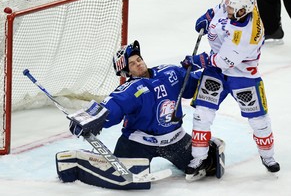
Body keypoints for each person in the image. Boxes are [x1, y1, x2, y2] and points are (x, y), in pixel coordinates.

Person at [66, 40, 225, 187]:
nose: (138, 64)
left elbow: (193, 86)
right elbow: (113, 105)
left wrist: (214, 69)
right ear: (126, 72)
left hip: (174, 139)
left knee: (208, 165)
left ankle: (204, 147)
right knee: (123, 179)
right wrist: (88, 118)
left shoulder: (170, 73)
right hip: (138, 144)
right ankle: (80, 161)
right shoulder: (132, 88)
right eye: (132, 64)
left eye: (138, 59)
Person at [182, 0, 280, 181]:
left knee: (259, 121)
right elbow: (219, 8)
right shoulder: (236, 6)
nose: (226, 9)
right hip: (216, 72)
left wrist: (197, 61)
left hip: (242, 76)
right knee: (202, 113)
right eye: (227, 5)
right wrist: (208, 15)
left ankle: (268, 157)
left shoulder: (246, 35)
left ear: (243, 11)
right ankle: (198, 158)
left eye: (230, 8)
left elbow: (222, 61)